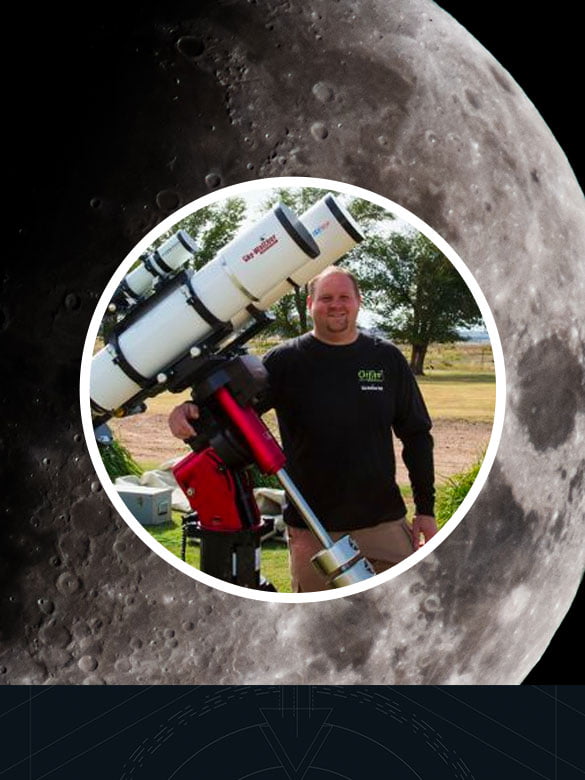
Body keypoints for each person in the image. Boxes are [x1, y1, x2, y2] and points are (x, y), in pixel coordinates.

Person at [168, 266, 437, 592]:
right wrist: (187, 412)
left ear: (358, 302)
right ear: (310, 303)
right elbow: (229, 414)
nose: (335, 305)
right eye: (325, 298)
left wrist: (425, 508)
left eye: (343, 297)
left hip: (384, 527)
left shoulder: (387, 359)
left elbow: (417, 435)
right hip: (311, 529)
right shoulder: (285, 361)